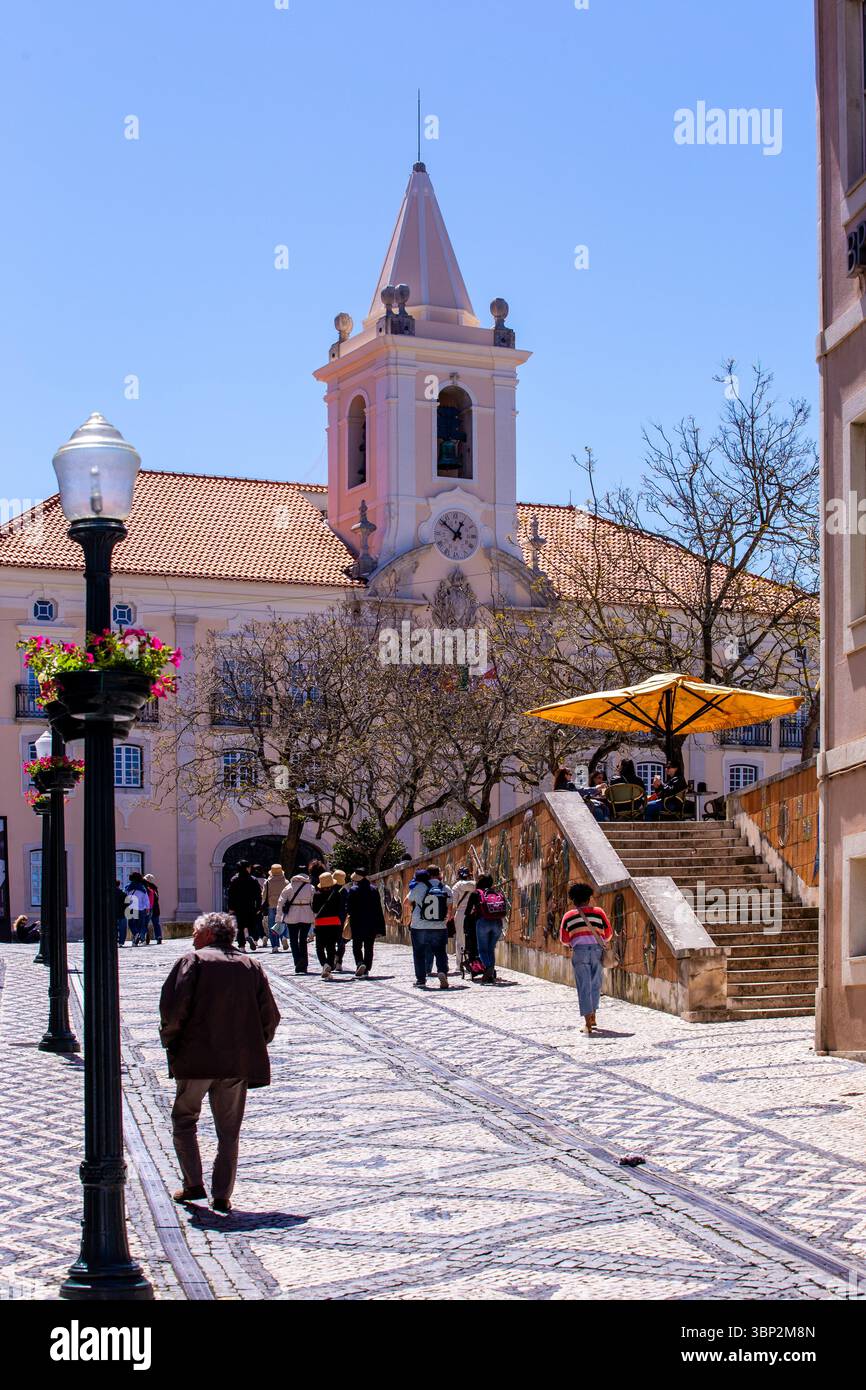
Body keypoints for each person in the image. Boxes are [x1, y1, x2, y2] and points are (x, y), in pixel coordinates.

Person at [159, 910, 281, 1214]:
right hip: (235, 1063)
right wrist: (252, 1043)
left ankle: (193, 1183)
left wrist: (171, 1042)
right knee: (229, 1130)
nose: (193, 936)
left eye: (197, 931)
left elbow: (173, 1009)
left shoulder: (194, 961)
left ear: (211, 934)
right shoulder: (250, 965)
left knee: (184, 1119)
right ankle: (222, 1193)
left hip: (196, 1058)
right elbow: (271, 1016)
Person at [560, 882, 612, 1035]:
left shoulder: (568, 916)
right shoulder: (599, 912)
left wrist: (575, 940)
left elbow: (564, 939)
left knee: (584, 986)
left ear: (573, 900)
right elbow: (608, 934)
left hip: (580, 952)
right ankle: (594, 1015)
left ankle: (588, 1023)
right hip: (597, 951)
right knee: (596, 983)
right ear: (589, 898)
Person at [408, 865, 452, 990]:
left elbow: (407, 902)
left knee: (419, 953)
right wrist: (444, 921)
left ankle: (421, 980)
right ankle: (442, 971)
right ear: (439, 874)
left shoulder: (419, 887)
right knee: (440, 951)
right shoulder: (445, 888)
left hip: (419, 925)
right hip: (439, 926)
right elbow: (450, 910)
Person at [463, 873, 508, 983]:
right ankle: (490, 974)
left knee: (482, 949)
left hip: (483, 922)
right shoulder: (496, 893)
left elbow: (467, 912)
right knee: (490, 949)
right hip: (497, 923)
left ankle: (488, 968)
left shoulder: (475, 894)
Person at [344, 867, 386, 977]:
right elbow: (378, 908)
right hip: (371, 922)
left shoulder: (353, 890)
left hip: (357, 922)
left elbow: (349, 907)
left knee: (356, 946)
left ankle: (360, 963)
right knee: (369, 947)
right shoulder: (374, 889)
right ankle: (366, 968)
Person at [276, 867, 314, 973]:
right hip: (306, 915)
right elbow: (314, 903)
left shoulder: (288, 887)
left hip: (292, 916)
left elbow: (280, 903)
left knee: (293, 940)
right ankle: (304, 964)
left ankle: (297, 961)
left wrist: (278, 918)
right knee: (303, 940)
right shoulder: (310, 887)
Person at [311, 871, 346, 978]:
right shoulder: (337, 894)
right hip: (334, 923)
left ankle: (324, 964)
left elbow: (314, 909)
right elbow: (340, 908)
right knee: (331, 947)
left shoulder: (317, 895)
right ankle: (329, 964)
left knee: (319, 947)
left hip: (320, 923)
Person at [226, 861, 262, 952]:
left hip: (238, 907)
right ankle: (251, 937)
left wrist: (230, 907)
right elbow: (258, 895)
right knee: (252, 925)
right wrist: (258, 907)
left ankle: (242, 946)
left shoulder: (234, 880)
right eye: (249, 867)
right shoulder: (253, 879)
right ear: (246, 868)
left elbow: (230, 895)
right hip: (250, 906)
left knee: (240, 927)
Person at [449, 867, 476, 975]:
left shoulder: (456, 886)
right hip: (473, 913)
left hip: (461, 914)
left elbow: (454, 903)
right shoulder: (474, 884)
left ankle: (459, 965)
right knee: (473, 939)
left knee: (460, 939)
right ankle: (473, 962)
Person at [261, 863, 289, 953]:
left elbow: (264, 895)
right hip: (282, 905)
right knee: (282, 923)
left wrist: (262, 904)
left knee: (272, 926)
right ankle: (283, 936)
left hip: (271, 906)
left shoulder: (268, 882)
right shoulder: (286, 882)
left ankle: (275, 946)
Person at [125, 871, 152, 946]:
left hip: (131, 908)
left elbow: (126, 898)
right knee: (140, 925)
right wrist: (147, 908)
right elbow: (146, 899)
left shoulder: (128, 887)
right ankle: (139, 938)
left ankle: (135, 935)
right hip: (141, 908)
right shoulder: (142, 888)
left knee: (131, 924)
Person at [331, 869, 349, 971]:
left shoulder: (329, 890)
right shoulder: (345, 891)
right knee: (341, 941)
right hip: (342, 919)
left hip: (331, 919)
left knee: (332, 942)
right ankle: (339, 962)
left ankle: (334, 957)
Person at [144, 873, 163, 944]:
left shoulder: (145, 887)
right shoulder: (155, 888)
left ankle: (146, 937)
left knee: (145, 923)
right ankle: (158, 936)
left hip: (148, 907)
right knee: (156, 924)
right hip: (155, 908)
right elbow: (157, 898)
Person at [115, 880, 129, 947]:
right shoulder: (123, 894)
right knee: (122, 929)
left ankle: (115, 941)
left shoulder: (109, 893)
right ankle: (121, 942)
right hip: (122, 913)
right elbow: (128, 903)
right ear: (119, 885)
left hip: (113, 914)